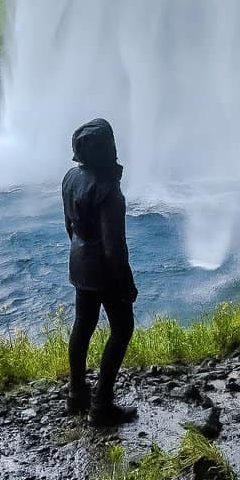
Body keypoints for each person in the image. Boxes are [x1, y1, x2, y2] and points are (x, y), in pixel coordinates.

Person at [62, 117, 138, 426]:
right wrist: (127, 284)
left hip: (79, 263)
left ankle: (76, 394)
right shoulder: (109, 192)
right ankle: (102, 405)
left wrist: (80, 254)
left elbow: (69, 224)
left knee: (83, 324)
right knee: (122, 329)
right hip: (103, 271)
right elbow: (114, 248)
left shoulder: (70, 178)